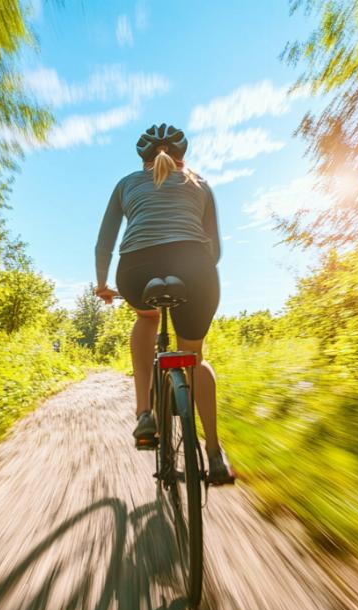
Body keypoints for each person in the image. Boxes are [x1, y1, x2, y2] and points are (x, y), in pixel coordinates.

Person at [94, 123, 233, 484]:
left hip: (137, 270)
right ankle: (215, 454)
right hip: (195, 269)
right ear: (182, 155)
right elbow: (214, 248)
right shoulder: (199, 182)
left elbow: (104, 243)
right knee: (195, 357)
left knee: (146, 317)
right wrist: (198, 277)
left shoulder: (126, 184)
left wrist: (102, 285)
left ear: (142, 158)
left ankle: (144, 413)